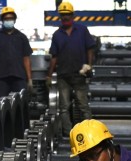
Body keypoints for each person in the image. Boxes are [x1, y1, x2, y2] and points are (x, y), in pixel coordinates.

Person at [46, 1, 96, 136]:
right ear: (60, 17)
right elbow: (54, 57)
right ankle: (69, 134)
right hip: (63, 76)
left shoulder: (82, 30)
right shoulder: (57, 35)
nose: (65, 17)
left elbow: (90, 49)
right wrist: (49, 76)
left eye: (67, 14)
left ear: (73, 16)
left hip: (80, 75)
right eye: (63, 15)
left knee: (83, 106)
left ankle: (89, 133)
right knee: (64, 108)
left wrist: (89, 65)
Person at [0, 6, 33, 101]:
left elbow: (26, 59)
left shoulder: (22, 37)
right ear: (2, 20)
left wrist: (29, 79)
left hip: (19, 77)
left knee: (21, 105)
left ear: (14, 20)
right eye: (6, 19)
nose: (8, 20)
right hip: (1, 78)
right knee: (1, 107)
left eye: (10, 18)